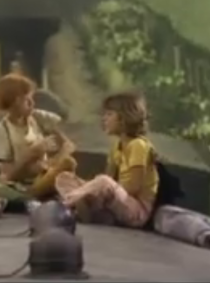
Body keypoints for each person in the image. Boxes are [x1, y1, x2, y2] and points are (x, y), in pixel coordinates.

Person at [55, 89, 158, 228]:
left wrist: (98, 188)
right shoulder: (117, 146)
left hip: (136, 210)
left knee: (102, 182)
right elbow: (109, 177)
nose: (104, 119)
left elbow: (132, 188)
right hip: (116, 202)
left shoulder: (138, 145)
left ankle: (64, 205)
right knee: (64, 178)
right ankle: (91, 212)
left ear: (124, 118)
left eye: (109, 114)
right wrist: (90, 188)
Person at [0, 73, 77, 200]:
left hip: (44, 176)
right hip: (21, 187)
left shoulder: (38, 118)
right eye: (27, 100)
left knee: (69, 163)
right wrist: (32, 153)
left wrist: (50, 163)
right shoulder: (1, 130)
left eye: (32, 99)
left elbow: (69, 145)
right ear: (15, 102)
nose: (32, 103)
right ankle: (30, 198)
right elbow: (7, 176)